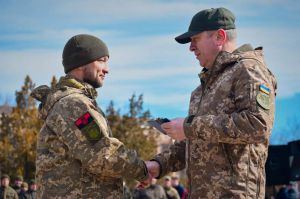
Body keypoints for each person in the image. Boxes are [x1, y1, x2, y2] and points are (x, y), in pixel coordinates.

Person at [144, 7, 277, 198]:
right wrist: (158, 165)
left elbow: (258, 124)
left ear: (219, 37)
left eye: (195, 39)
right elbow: (197, 142)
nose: (191, 47)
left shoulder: (248, 70)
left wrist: (189, 127)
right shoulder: (202, 89)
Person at [30, 34, 149, 198]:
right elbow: (102, 154)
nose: (107, 69)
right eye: (101, 60)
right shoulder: (73, 105)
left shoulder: (74, 103)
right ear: (81, 63)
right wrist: (143, 169)